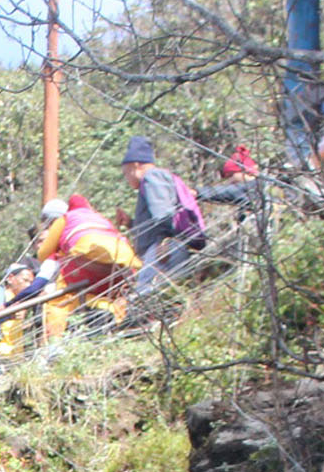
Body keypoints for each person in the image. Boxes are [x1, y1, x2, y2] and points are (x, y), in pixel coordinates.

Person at [21, 196, 139, 340]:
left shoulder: (63, 221)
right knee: (110, 299)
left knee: (57, 304)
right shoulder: (99, 217)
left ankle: (55, 345)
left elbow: (43, 255)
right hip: (124, 259)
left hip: (87, 255)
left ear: (50, 221)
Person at [123, 137, 204, 294]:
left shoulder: (152, 177)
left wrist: (163, 241)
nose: (126, 178)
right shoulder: (156, 179)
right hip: (166, 246)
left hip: (164, 248)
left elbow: (163, 213)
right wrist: (130, 224)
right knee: (165, 299)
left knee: (145, 298)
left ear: (135, 165)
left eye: (126, 173)